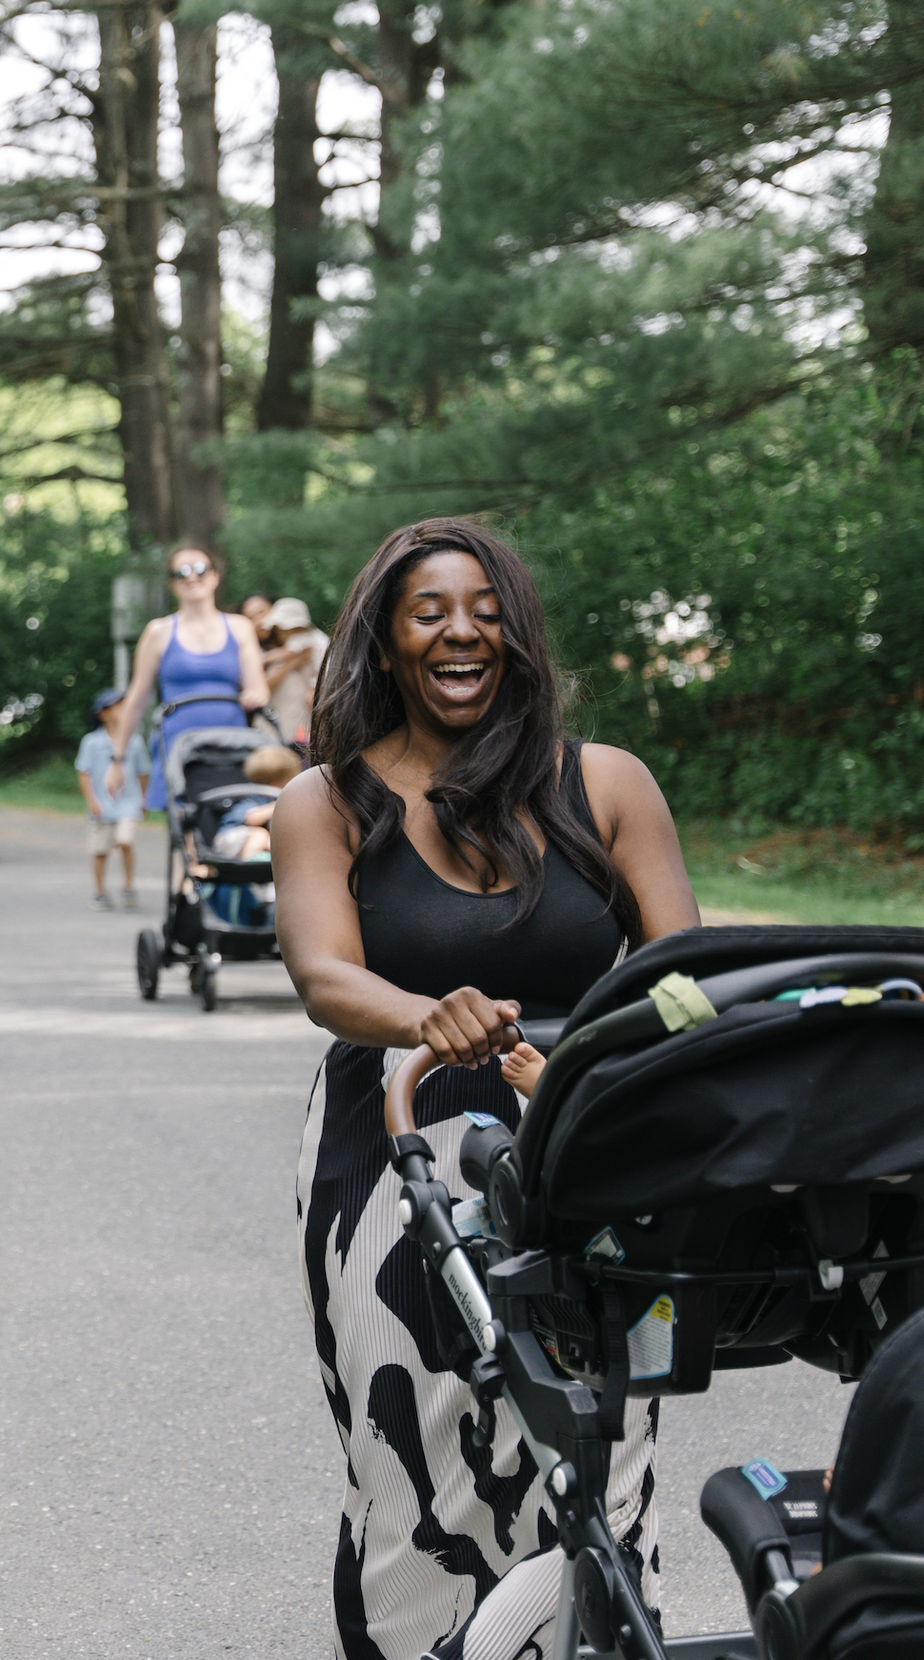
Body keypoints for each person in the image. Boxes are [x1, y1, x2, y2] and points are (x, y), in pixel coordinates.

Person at [272, 517, 700, 1660]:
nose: (460, 630)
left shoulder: (604, 784)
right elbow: (322, 973)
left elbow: (680, 976)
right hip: (391, 1134)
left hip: (576, 1133)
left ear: (514, 634)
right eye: (429, 611)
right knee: (414, 1440)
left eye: (484, 610)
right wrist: (428, 1017)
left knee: (601, 1436)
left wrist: (591, 1061)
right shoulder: (325, 801)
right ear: (386, 641)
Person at [104, 548, 268, 812]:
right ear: (172, 584)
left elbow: (258, 688)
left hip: (230, 746)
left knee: (235, 827)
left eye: (200, 569)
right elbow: (136, 698)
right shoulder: (158, 632)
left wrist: (255, 696)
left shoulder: (240, 627)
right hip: (179, 749)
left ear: (215, 576)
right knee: (189, 836)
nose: (192, 577)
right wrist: (118, 761)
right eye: (181, 573)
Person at [73, 688, 147, 909]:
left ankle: (128, 886)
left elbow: (142, 772)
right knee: (100, 850)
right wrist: (92, 801)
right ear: (102, 714)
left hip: (128, 803)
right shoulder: (92, 742)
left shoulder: (135, 741)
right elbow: (83, 772)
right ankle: (100, 891)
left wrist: (142, 799)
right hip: (103, 805)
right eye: (118, 707)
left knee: (125, 840)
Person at [206, 744, 301, 862]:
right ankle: (252, 866)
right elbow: (251, 818)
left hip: (246, 842)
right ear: (276, 781)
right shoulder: (253, 795)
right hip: (229, 839)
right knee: (261, 836)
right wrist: (275, 806)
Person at [263, 595, 328, 743]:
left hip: (317, 678)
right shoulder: (314, 637)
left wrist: (265, 658)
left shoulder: (303, 639)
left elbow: (286, 652)